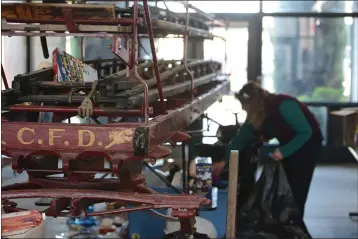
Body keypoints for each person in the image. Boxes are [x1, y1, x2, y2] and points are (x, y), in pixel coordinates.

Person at [213, 81, 323, 218]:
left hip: (308, 144)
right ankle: (285, 221)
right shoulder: (257, 114)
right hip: (289, 143)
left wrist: (284, 151)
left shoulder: (284, 105)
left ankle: (295, 224)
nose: (247, 112)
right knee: (286, 186)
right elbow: (240, 138)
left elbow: (306, 132)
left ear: (255, 105)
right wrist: (224, 161)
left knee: (297, 187)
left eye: (247, 108)